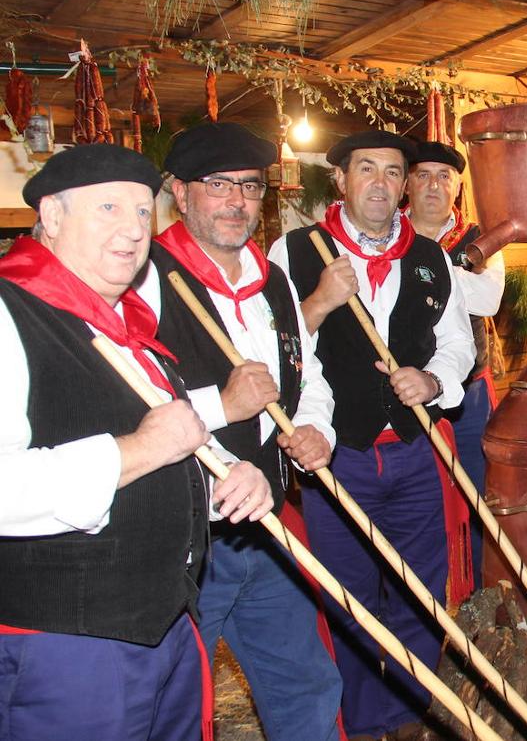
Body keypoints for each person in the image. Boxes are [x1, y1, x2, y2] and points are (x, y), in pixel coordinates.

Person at [0, 143, 270, 739]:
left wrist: (227, 472)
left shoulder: (124, 328)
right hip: (67, 647)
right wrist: (138, 450)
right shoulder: (9, 314)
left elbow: (175, 441)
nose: (132, 230)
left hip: (167, 623)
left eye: (143, 212)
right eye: (107, 209)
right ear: (50, 215)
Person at [269, 130, 475, 740]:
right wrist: (321, 301)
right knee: (349, 597)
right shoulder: (295, 251)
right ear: (340, 179)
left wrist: (433, 383)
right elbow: (283, 349)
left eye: (392, 171)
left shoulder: (431, 255)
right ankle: (361, 722)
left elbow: (458, 344)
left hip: (415, 452)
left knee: (420, 591)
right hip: (340, 456)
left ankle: (410, 713)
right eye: (367, 169)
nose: (381, 182)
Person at [141, 122, 343, 741]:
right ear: (179, 191)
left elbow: (307, 377)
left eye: (250, 188)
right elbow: (118, 414)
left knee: (304, 684)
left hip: (266, 527)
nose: (237, 202)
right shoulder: (144, 281)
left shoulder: (272, 281)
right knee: (174, 705)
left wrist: (315, 429)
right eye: (217, 185)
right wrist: (221, 406)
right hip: (179, 539)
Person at [405, 140, 503, 588]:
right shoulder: (386, 234)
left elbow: (487, 299)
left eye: (444, 176)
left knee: (477, 491)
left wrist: (431, 265)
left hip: (468, 393)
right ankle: (424, 591)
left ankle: (479, 589)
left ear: (457, 187)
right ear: (407, 183)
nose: (433, 185)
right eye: (423, 174)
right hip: (402, 392)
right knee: (416, 496)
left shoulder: (481, 239)